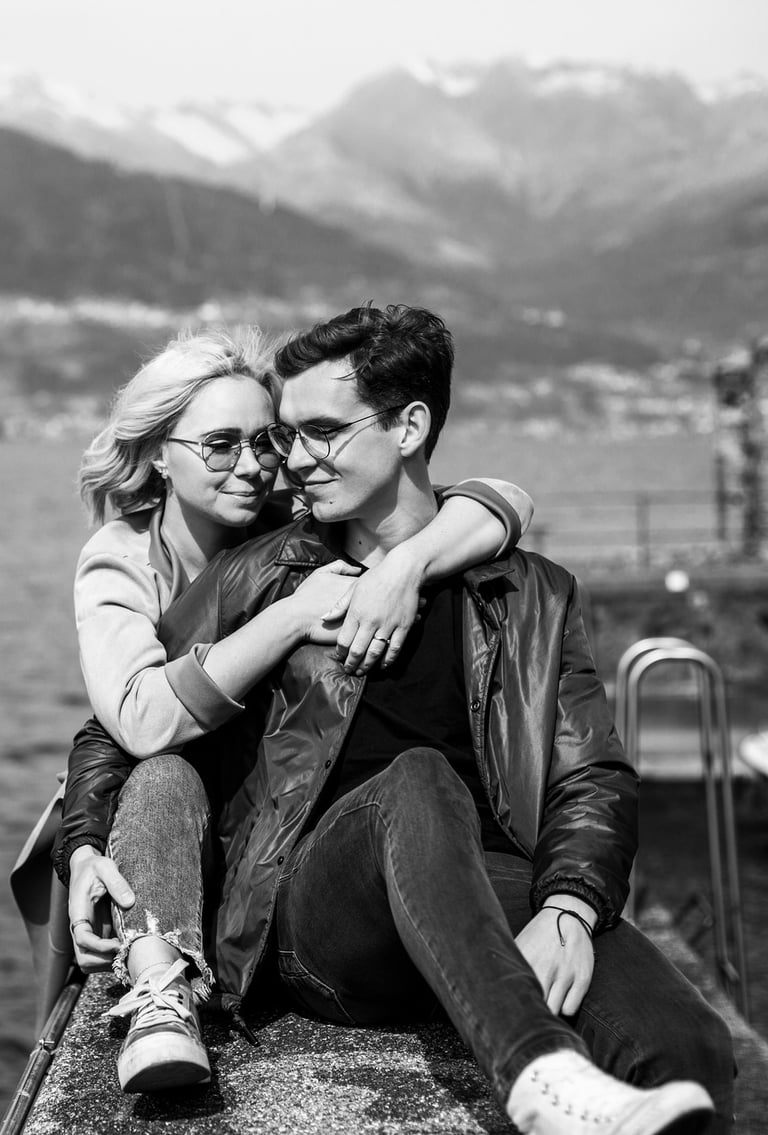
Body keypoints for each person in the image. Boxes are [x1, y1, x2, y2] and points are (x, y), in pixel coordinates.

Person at [61, 304, 732, 1135]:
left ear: (410, 425)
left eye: (320, 431)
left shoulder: (530, 592)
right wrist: (84, 839)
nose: (291, 462)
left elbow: (590, 773)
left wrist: (569, 907)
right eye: (288, 433)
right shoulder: (263, 571)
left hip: (487, 885)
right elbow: (122, 721)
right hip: (321, 911)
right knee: (416, 780)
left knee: (689, 1046)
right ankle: (535, 1072)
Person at [50, 323, 533, 1091]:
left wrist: (405, 564)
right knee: (166, 771)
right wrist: (79, 846)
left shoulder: (290, 519)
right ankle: (160, 992)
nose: (254, 465)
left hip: (268, 829)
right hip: (164, 817)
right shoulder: (123, 559)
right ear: (157, 455)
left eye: (266, 439)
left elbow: (503, 499)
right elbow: (127, 726)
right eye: (219, 445)